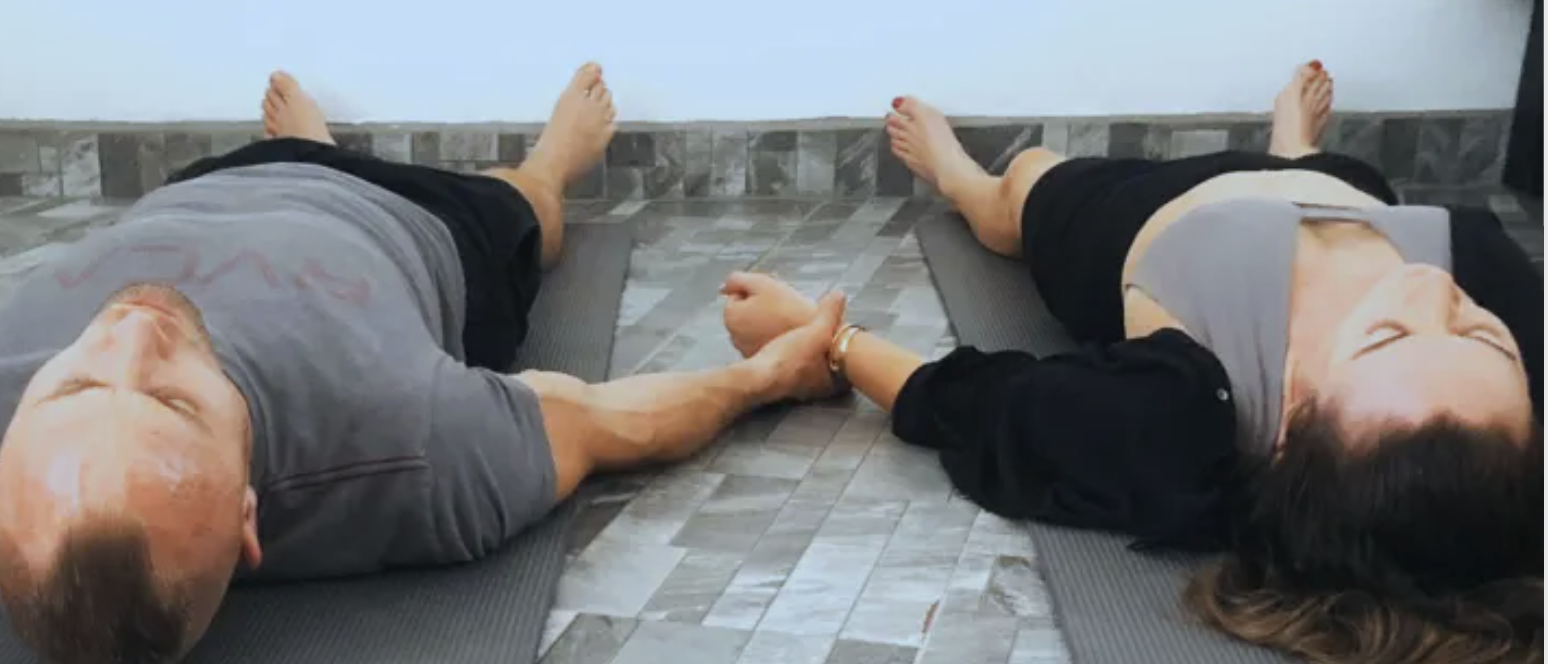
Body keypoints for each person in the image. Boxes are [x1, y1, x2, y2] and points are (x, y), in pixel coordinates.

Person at [0, 64, 844, 664]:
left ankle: (313, 145)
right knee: (534, 214)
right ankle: (549, 161)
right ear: (248, 513)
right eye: (172, 403)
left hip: (199, 189)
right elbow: (603, 420)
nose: (130, 330)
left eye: (70, 384)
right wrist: (769, 378)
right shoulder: (408, 447)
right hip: (407, 218)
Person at [722, 61, 1543, 664]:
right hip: (1339, 188)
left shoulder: (1181, 415)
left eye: (1389, 337)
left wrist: (825, 340)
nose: (1433, 288)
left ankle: (962, 178)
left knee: (1021, 188)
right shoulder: (1500, 318)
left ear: (1295, 423)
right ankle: (1291, 150)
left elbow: (986, 405)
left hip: (1143, 218)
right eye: (1482, 336)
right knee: (1330, 180)